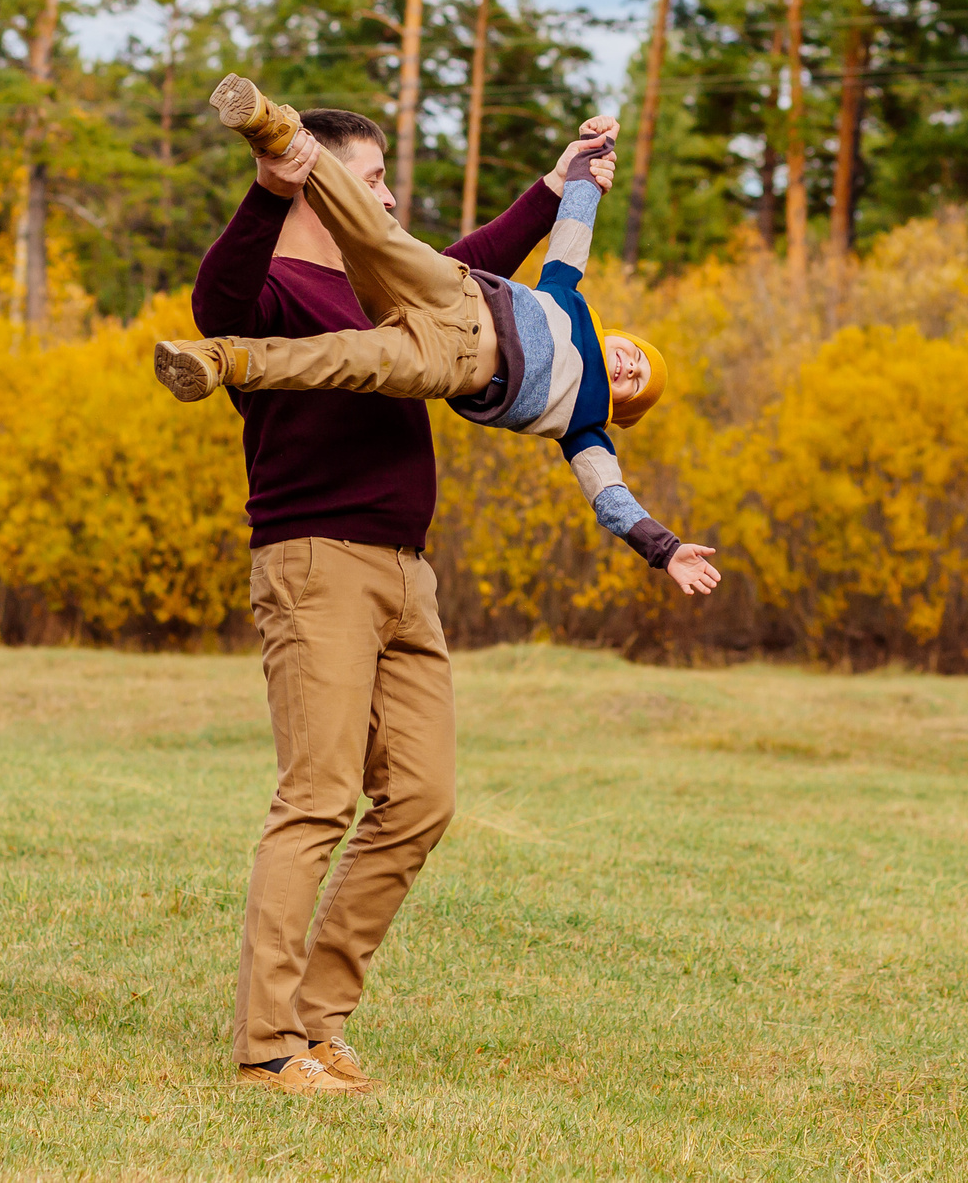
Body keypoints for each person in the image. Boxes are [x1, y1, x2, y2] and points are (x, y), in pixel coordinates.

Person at [186, 90, 594, 1095]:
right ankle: (264, 1047)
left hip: (407, 572)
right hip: (313, 562)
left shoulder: (382, 291)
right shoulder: (273, 290)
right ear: (317, 186)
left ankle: (317, 1022)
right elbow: (216, 305)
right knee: (317, 798)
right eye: (369, 180)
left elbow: (468, 272)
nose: (387, 195)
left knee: (421, 797)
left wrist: (555, 189)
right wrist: (259, 194)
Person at [157, 76, 721, 593]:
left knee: (350, 358)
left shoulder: (585, 423)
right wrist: (580, 182)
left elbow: (609, 496)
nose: (391, 195)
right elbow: (569, 240)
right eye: (374, 178)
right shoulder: (566, 304)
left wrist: (662, 548)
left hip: (419, 487)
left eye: (637, 384)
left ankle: (221, 363)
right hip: (319, 546)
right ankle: (274, 130)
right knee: (385, 243)